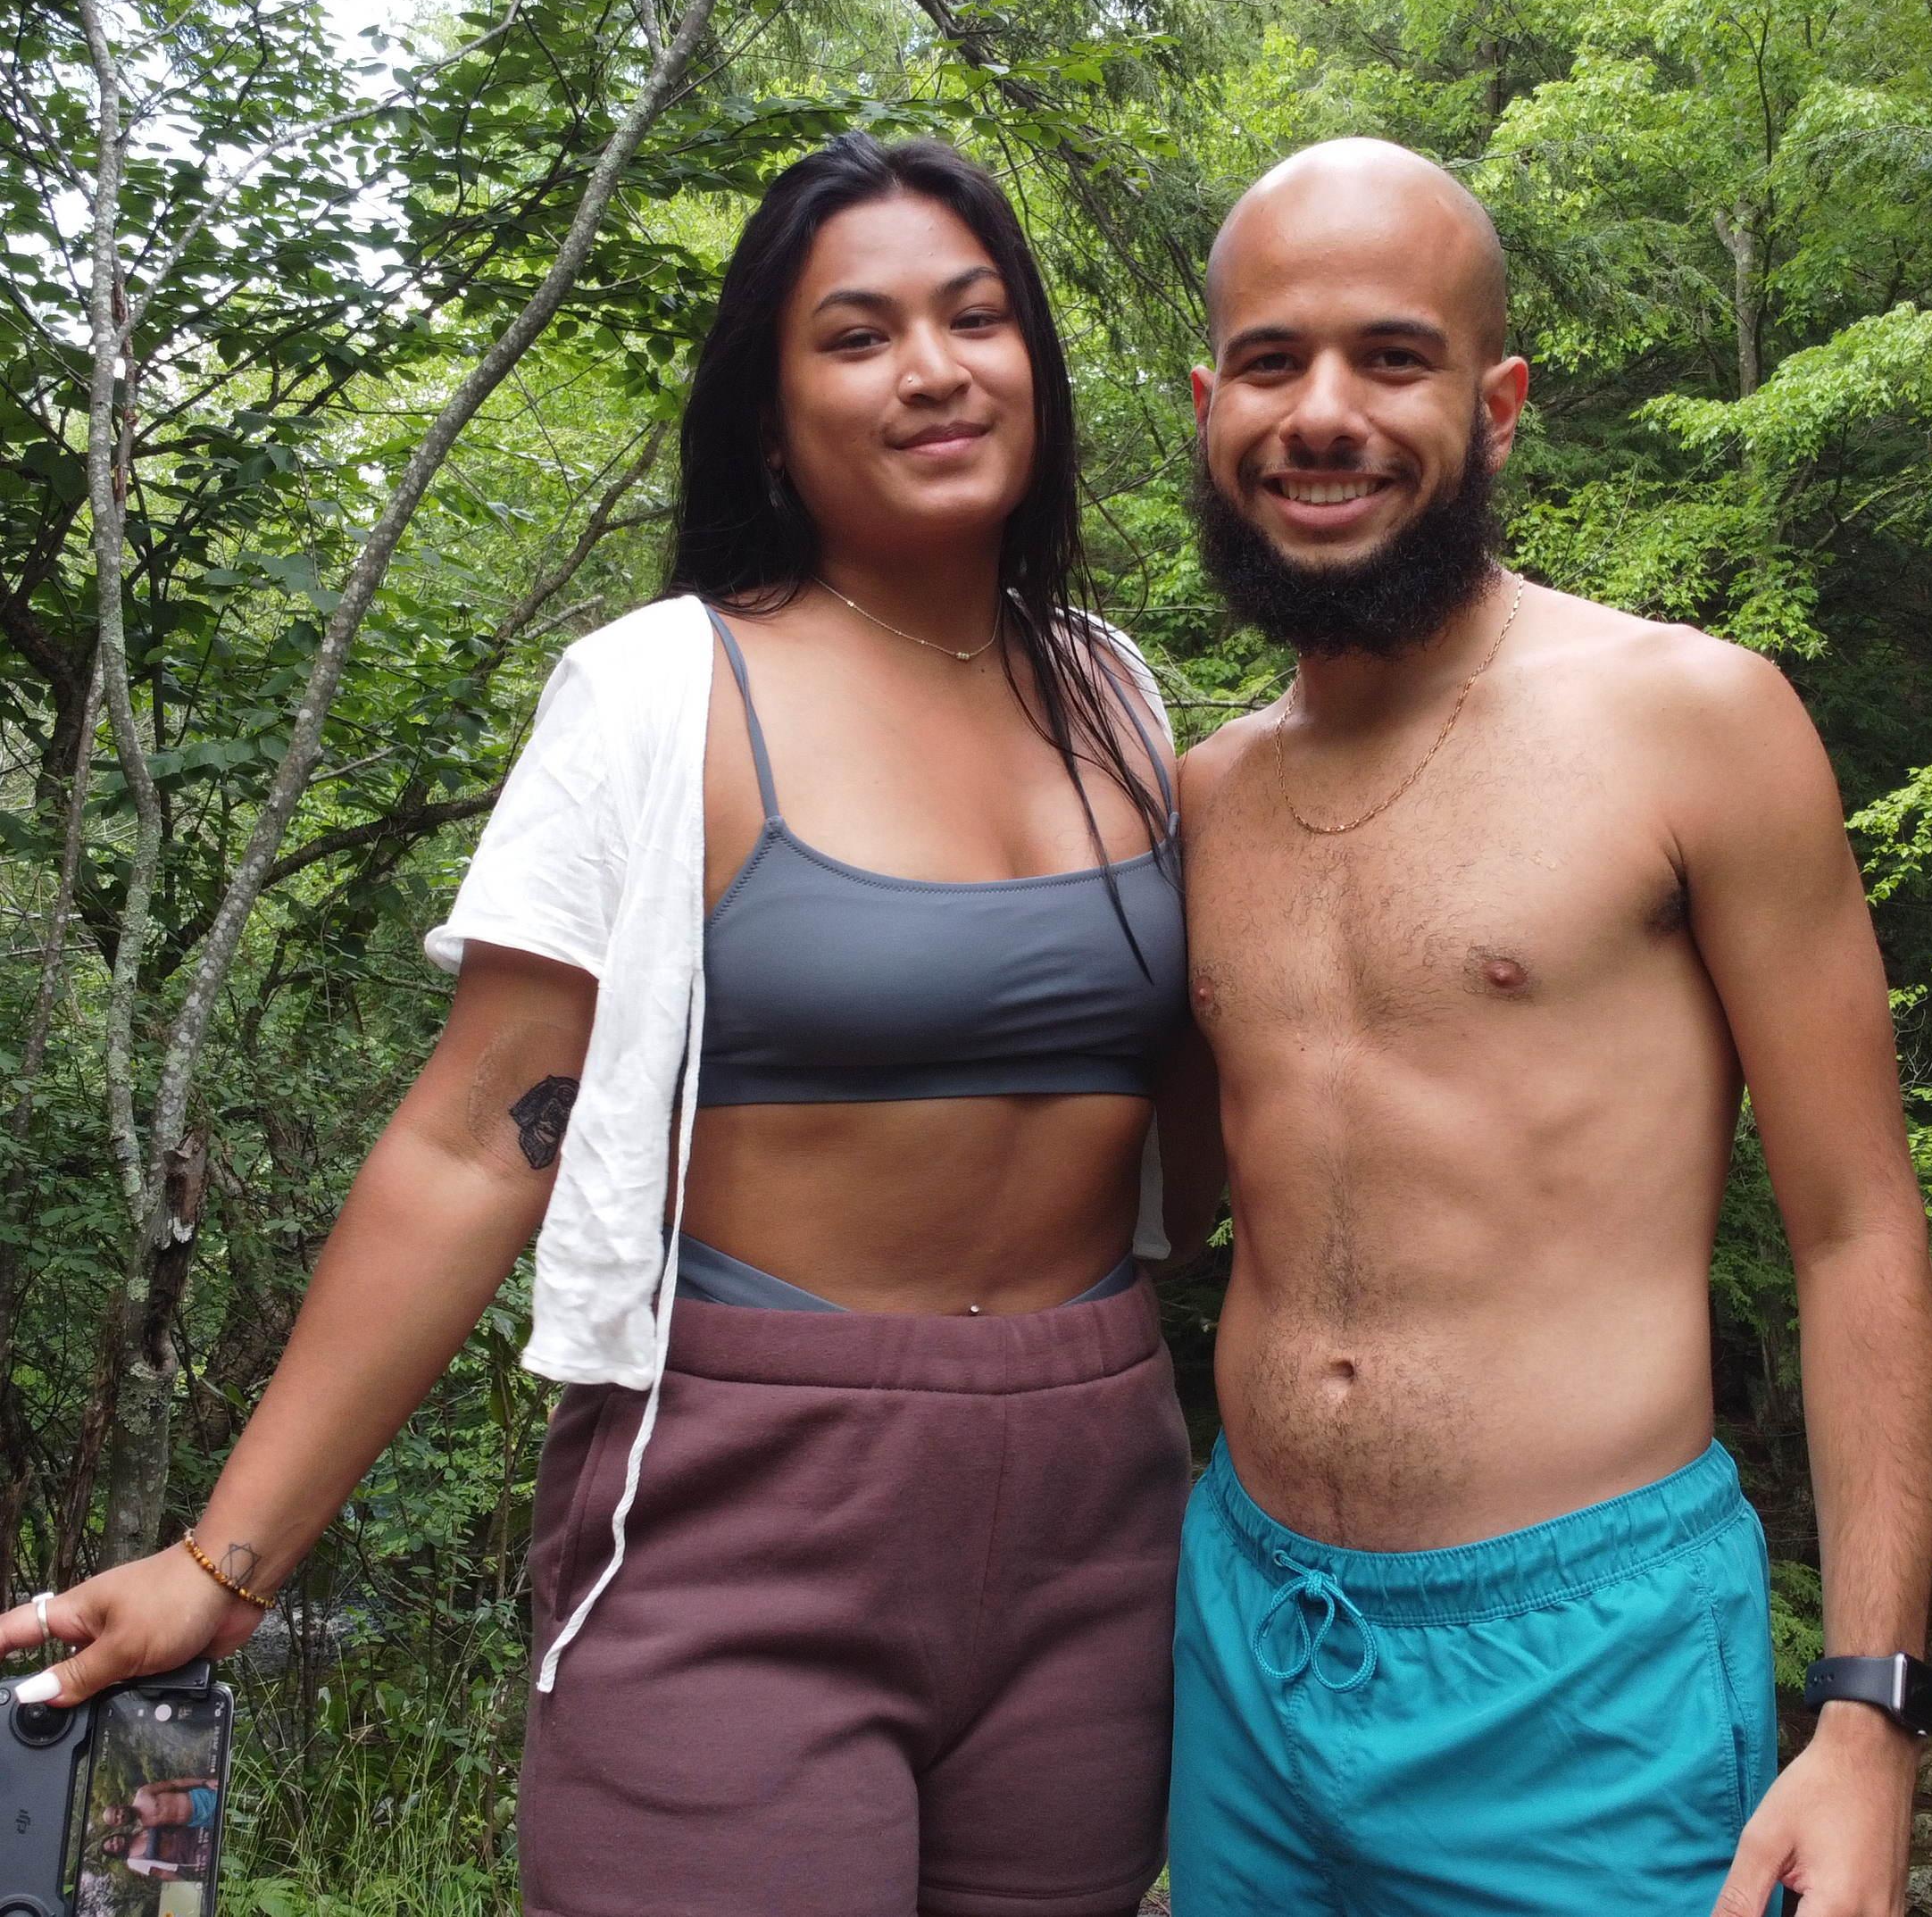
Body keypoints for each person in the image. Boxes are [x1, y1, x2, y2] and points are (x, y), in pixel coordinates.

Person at [2, 134, 1196, 1917]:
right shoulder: (658, 692)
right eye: (858, 335)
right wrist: (229, 1559)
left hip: (1098, 1515)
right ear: (769, 419)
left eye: (976, 317)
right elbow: (477, 1136)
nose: (935, 369)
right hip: (747, 1508)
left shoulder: (1114, 692)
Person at [1166, 138, 1932, 1916]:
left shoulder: (1693, 722)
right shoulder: (1201, 794)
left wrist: (1870, 1718)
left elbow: (1853, 1227)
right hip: (1247, 1632)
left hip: (1585, 1680)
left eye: (1393, 357)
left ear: (1498, 405)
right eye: (1273, 362)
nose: (1323, 413)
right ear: (1211, 410)